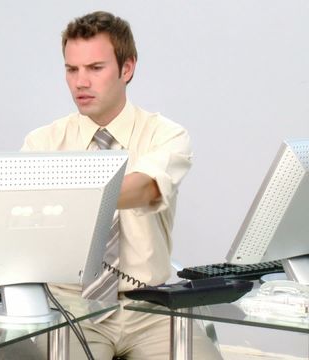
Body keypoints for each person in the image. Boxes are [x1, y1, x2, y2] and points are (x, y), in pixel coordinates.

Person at [22, 11, 223, 359]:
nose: (80, 82)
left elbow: (144, 188)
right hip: (72, 306)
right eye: (72, 69)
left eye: (95, 68)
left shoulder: (166, 134)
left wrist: (63, 193)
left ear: (126, 69)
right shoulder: (42, 142)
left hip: (151, 307)